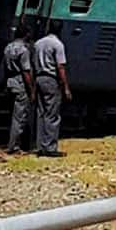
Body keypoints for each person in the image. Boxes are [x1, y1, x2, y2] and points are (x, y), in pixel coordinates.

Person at [33, 21, 71, 157]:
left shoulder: (38, 43)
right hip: (51, 79)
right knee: (52, 114)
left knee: (41, 112)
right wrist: (66, 86)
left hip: (39, 78)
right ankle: (50, 147)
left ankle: (39, 145)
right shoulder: (58, 45)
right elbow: (60, 67)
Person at [3, 24, 35, 155]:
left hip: (10, 82)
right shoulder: (23, 50)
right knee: (19, 117)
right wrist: (32, 90)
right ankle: (14, 146)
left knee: (13, 115)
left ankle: (14, 143)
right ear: (26, 34)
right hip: (20, 83)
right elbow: (26, 72)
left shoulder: (8, 48)